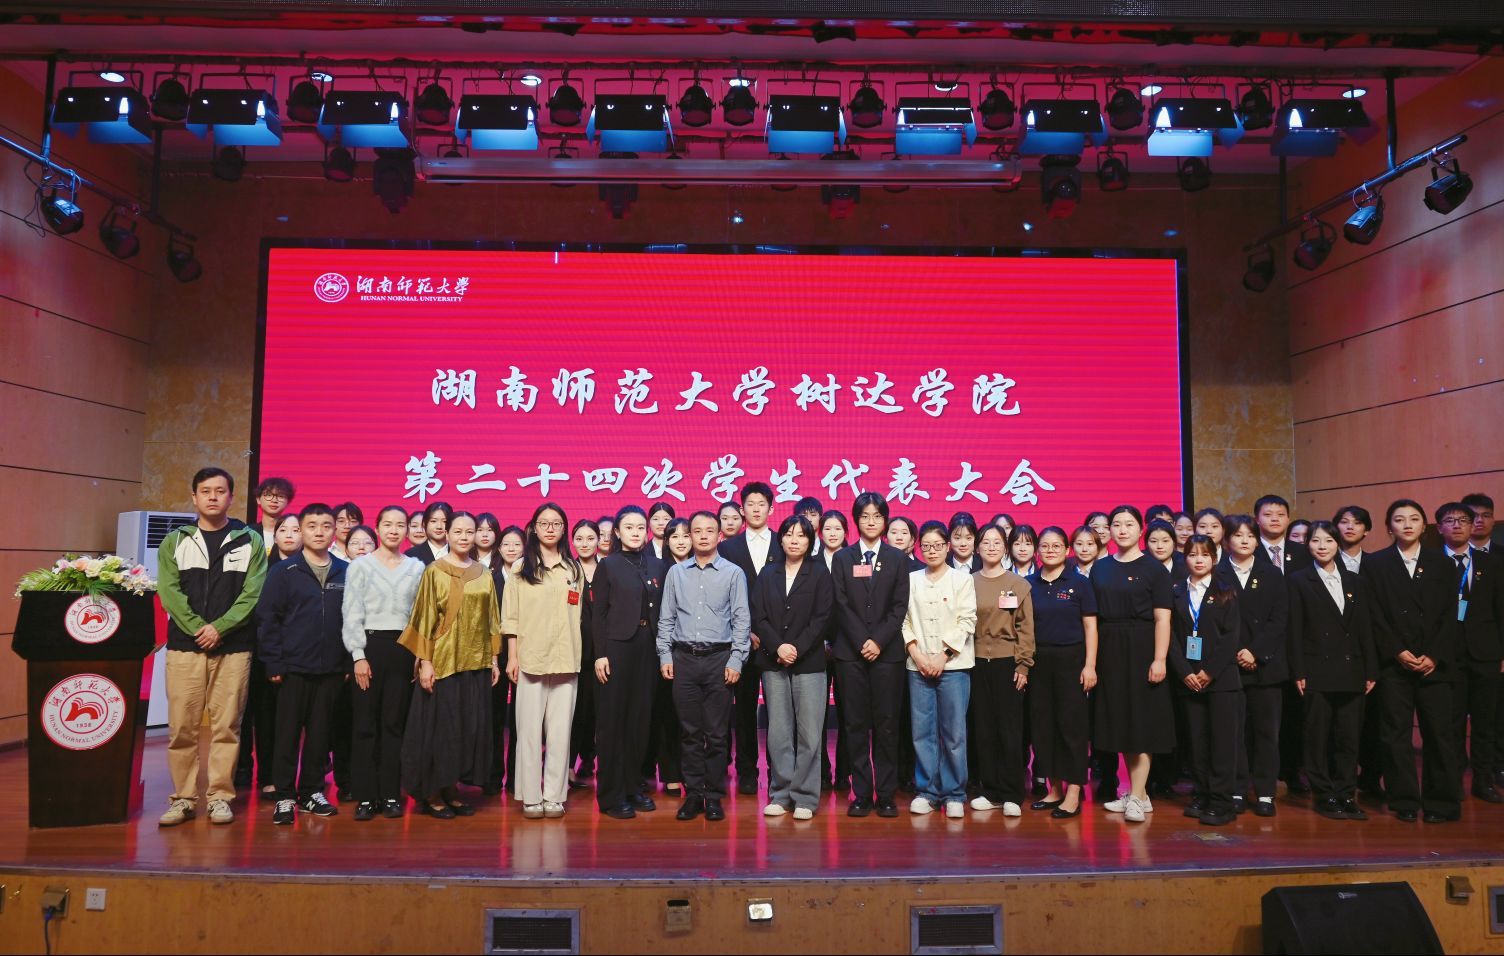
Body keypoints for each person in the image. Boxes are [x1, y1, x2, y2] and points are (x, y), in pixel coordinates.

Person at [156, 467, 267, 828]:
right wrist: (197, 628)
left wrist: (219, 628)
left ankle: (220, 797)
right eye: (206, 491)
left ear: (231, 497)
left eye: (220, 491)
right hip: (184, 648)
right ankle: (184, 799)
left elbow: (252, 593)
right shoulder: (175, 541)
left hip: (233, 648)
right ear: (195, 497)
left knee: (227, 727)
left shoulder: (250, 540)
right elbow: (169, 591)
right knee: (182, 728)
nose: (213, 497)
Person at [399, 512, 502, 819]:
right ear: (447, 534)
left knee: (464, 728)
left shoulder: (484, 573)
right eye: (458, 531)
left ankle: (451, 788)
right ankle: (432, 793)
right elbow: (424, 617)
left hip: (475, 662)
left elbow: (492, 618)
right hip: (442, 663)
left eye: (469, 532)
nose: (464, 537)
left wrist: (494, 658)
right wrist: (425, 662)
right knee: (438, 730)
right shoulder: (435, 571)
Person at [1366, 499, 1462, 823]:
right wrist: (1396, 650)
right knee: (1395, 734)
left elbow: (1451, 613)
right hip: (1395, 663)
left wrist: (1434, 654)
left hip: (1435, 663)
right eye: (1399, 519)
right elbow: (1374, 614)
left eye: (1414, 519)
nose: (1407, 524)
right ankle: (1404, 799)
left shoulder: (1442, 563)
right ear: (1388, 527)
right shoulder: (1376, 564)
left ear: (1424, 525)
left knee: (1440, 734)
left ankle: (1442, 803)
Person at [257, 503, 348, 825]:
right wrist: (273, 663)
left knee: (320, 736)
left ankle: (311, 791)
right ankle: (284, 794)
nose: (319, 532)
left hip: (332, 669)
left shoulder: (345, 570)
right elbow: (268, 619)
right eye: (312, 526)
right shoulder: (284, 571)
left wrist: (347, 661)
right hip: (292, 668)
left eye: (326, 526)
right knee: (286, 735)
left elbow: (353, 619)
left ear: (334, 531)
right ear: (301, 530)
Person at [657, 511, 751, 822]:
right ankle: (694, 794)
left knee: (717, 733)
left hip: (719, 659)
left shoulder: (733, 573)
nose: (703, 536)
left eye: (709, 530)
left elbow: (741, 620)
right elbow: (667, 618)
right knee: (689, 732)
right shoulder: (676, 573)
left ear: (719, 535)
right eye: (697, 531)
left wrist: (736, 659)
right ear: (690, 536)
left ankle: (714, 796)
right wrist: (665, 655)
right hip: (683, 658)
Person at [1289, 521, 1378, 820]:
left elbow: (1365, 628)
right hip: (1316, 669)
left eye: (1328, 540)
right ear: (1308, 545)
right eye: (1316, 541)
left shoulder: (1356, 581)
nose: (1322, 546)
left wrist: (1371, 669)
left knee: (1348, 738)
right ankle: (1324, 794)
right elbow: (1294, 630)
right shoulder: (1298, 580)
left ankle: (1346, 793)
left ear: (1338, 544)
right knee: (1317, 737)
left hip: (1353, 669)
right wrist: (1298, 670)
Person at [1091, 506, 1173, 823]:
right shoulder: (1100, 568)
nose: (1122, 530)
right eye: (1116, 524)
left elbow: (1162, 618)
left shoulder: (1154, 569)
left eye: (1129, 524)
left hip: (1142, 646)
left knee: (1141, 723)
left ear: (1141, 529)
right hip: (1110, 647)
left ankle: (1137, 795)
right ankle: (1140, 794)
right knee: (1121, 722)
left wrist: (1160, 658)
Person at [831, 492, 911, 818]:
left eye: (877, 516)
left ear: (885, 520)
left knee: (887, 724)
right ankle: (861, 793)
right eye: (865, 516)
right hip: (850, 655)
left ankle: (886, 794)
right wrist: (862, 640)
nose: (871, 521)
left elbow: (899, 606)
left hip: (887, 655)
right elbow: (840, 604)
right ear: (856, 520)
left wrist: (877, 641)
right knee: (855, 724)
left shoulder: (897, 558)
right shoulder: (843, 558)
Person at [503, 503, 584, 819]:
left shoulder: (573, 569)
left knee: (561, 733)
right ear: (533, 528)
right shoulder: (520, 568)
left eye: (557, 523)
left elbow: (578, 614)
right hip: (531, 659)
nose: (550, 528)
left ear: (564, 529)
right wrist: (512, 656)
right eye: (544, 523)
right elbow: (511, 616)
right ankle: (530, 796)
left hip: (566, 659)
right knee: (528, 732)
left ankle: (554, 795)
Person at [342, 505, 423, 821]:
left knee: (393, 723)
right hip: (369, 647)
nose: (393, 530)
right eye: (387, 524)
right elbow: (351, 613)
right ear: (377, 528)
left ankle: (390, 794)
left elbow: (419, 616)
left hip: (402, 649)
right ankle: (365, 796)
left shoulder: (416, 567)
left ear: (407, 530)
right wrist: (358, 656)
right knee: (364, 724)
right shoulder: (360, 566)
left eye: (400, 525)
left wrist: (418, 655)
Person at [752, 515, 833, 820]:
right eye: (788, 534)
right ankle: (781, 793)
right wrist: (778, 647)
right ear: (781, 539)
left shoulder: (819, 573)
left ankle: (805, 797)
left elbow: (823, 617)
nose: (794, 540)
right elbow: (758, 615)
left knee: (810, 733)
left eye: (801, 535)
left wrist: (796, 648)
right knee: (778, 731)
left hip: (809, 662)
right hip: (773, 661)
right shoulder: (767, 572)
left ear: (810, 540)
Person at [592, 506, 667, 819]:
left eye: (640, 527)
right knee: (614, 721)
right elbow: (598, 614)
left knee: (640, 719)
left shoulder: (658, 565)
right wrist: (600, 653)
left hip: (648, 647)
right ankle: (612, 795)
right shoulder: (608, 565)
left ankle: (634, 787)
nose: (635, 533)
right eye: (629, 527)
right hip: (617, 648)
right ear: (617, 532)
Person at [904, 521, 978, 817]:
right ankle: (927, 790)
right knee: (922, 732)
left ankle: (954, 793)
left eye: (937, 545)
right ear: (919, 548)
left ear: (948, 547)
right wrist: (918, 655)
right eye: (926, 546)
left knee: (954, 733)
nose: (932, 551)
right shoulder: (911, 579)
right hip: (917, 665)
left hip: (954, 666)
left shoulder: (962, 580)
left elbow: (967, 620)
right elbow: (903, 620)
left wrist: (942, 656)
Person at [1168, 535, 1242, 827]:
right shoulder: (1176, 592)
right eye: (1192, 554)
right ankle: (1201, 793)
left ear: (1215, 558)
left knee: (1222, 742)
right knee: (1196, 741)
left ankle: (1222, 801)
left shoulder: (1227, 591)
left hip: (1221, 679)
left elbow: (1231, 637)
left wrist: (1209, 671)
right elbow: (1170, 637)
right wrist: (1184, 671)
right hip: (1188, 678)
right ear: (1184, 558)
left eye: (1205, 554)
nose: (1198, 560)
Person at [1217, 514, 1288, 817]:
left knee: (1266, 733)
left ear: (1257, 541)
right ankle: (1236, 789)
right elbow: (1214, 622)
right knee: (1234, 733)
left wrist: (1255, 652)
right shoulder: (1217, 573)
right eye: (1238, 535)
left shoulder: (1271, 573)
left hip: (1265, 667)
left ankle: (1265, 793)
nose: (1244, 540)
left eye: (1250, 535)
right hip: (1229, 666)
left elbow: (1279, 619)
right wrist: (1235, 652)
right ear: (1226, 541)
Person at [716, 482, 782, 797]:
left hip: (778, 644)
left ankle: (779, 771)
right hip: (741, 644)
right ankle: (746, 771)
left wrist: (771, 635)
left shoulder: (785, 542)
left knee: (779, 713)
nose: (756, 509)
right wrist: (744, 633)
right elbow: (722, 598)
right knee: (743, 711)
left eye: (761, 504)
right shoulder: (728, 548)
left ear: (771, 508)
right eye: (750, 504)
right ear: (742, 509)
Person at [1027, 527, 1098, 818]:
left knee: (1072, 728)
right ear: (1037, 551)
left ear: (1067, 550)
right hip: (1038, 663)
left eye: (1056, 546)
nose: (1050, 551)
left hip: (1072, 661)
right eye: (1045, 546)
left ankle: (1073, 792)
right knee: (1043, 728)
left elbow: (1090, 626)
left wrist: (1090, 665)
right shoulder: (1028, 584)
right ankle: (1054, 789)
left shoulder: (1079, 583)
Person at [1437, 502, 1504, 803]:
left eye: (1463, 520)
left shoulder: (1492, 562)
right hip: (1446, 655)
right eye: (1450, 520)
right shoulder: (1431, 562)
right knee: (1450, 724)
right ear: (1440, 527)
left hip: (1486, 653)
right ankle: (1452, 781)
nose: (1458, 525)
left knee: (1485, 722)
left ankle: (1483, 780)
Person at [970, 524, 1034, 816]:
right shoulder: (967, 582)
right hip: (975, 662)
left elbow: (1025, 628)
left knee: (1009, 729)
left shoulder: (1018, 584)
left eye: (997, 542)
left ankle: (1012, 794)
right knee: (983, 729)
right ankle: (991, 791)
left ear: (1005, 548)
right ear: (978, 547)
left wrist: (1023, 664)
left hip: (1008, 662)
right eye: (986, 542)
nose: (992, 547)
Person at [237, 510, 299, 796]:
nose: (289, 535)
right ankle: (261, 775)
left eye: (295, 530)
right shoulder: (261, 566)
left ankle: (281, 775)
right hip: (264, 651)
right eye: (283, 530)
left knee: (286, 720)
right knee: (262, 716)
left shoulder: (308, 567)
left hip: (298, 653)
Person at [568, 519, 601, 786]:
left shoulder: (608, 570)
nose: (585, 544)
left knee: (597, 711)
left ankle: (590, 758)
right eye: (579, 539)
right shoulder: (567, 570)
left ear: (599, 540)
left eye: (590, 538)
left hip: (602, 653)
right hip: (573, 651)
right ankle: (567, 764)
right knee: (574, 712)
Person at [254, 477, 295, 557]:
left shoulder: (293, 535)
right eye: (269, 495)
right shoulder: (249, 532)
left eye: (280, 496)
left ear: (288, 501)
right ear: (258, 499)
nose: (274, 500)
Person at [406, 501, 452, 565]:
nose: (439, 526)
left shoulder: (460, 552)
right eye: (433, 521)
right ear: (425, 524)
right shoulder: (411, 555)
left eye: (445, 521)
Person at [1335, 504, 1373, 574]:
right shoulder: (1327, 561)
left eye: (1357, 523)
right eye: (1344, 522)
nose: (1350, 527)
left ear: (1366, 531)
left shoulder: (1374, 562)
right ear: (1336, 528)